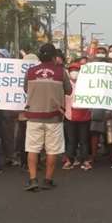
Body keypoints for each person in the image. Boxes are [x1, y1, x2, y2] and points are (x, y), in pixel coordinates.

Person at [23, 43, 71, 192]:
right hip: (54, 117)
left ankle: (32, 180)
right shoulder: (61, 72)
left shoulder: (30, 72)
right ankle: (48, 180)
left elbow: (25, 89)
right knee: (52, 150)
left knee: (32, 149)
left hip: (33, 117)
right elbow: (69, 91)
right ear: (54, 56)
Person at [63, 61, 92, 171]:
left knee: (84, 140)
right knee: (71, 140)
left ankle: (85, 160)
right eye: (72, 71)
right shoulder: (65, 84)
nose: (74, 72)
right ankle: (70, 160)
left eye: (76, 70)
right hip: (69, 116)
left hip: (85, 116)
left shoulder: (88, 84)